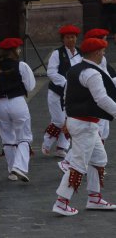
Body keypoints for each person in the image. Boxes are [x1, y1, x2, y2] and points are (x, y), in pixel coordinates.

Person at [52, 38, 116, 216]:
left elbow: (66, 96)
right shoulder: (92, 73)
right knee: (79, 164)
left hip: (83, 122)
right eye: (102, 51)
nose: (104, 54)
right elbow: (101, 99)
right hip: (84, 124)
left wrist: (66, 119)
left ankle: (94, 198)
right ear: (96, 53)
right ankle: (61, 202)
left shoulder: (74, 70)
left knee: (99, 159)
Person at [58, 28, 116, 173]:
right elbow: (101, 96)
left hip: (89, 111)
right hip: (88, 112)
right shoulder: (88, 69)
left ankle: (94, 195)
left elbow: (108, 78)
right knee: (83, 153)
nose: (104, 50)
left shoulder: (96, 62)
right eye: (103, 39)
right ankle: (67, 163)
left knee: (99, 147)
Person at [0, 38, 36, 182]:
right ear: (14, 51)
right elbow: (30, 86)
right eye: (18, 48)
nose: (19, 50)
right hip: (17, 102)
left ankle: (12, 171)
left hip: (0, 104)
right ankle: (19, 167)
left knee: (7, 138)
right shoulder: (22, 66)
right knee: (24, 136)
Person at [42, 25, 82, 158]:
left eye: (73, 37)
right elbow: (51, 72)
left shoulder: (80, 53)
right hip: (57, 92)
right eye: (67, 37)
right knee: (59, 120)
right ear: (63, 39)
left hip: (73, 94)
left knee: (69, 120)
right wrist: (65, 82)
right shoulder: (57, 53)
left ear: (76, 38)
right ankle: (47, 142)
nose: (70, 40)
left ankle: (61, 148)